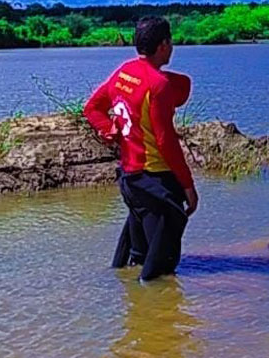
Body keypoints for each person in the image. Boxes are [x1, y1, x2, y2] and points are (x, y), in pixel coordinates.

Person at [84, 16, 198, 280]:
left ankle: (137, 315)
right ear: (163, 45)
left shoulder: (123, 72)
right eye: (170, 43)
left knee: (137, 261)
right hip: (155, 182)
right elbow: (166, 142)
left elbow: (92, 108)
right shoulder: (157, 86)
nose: (172, 48)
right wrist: (189, 187)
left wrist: (109, 130)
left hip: (130, 180)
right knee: (160, 273)